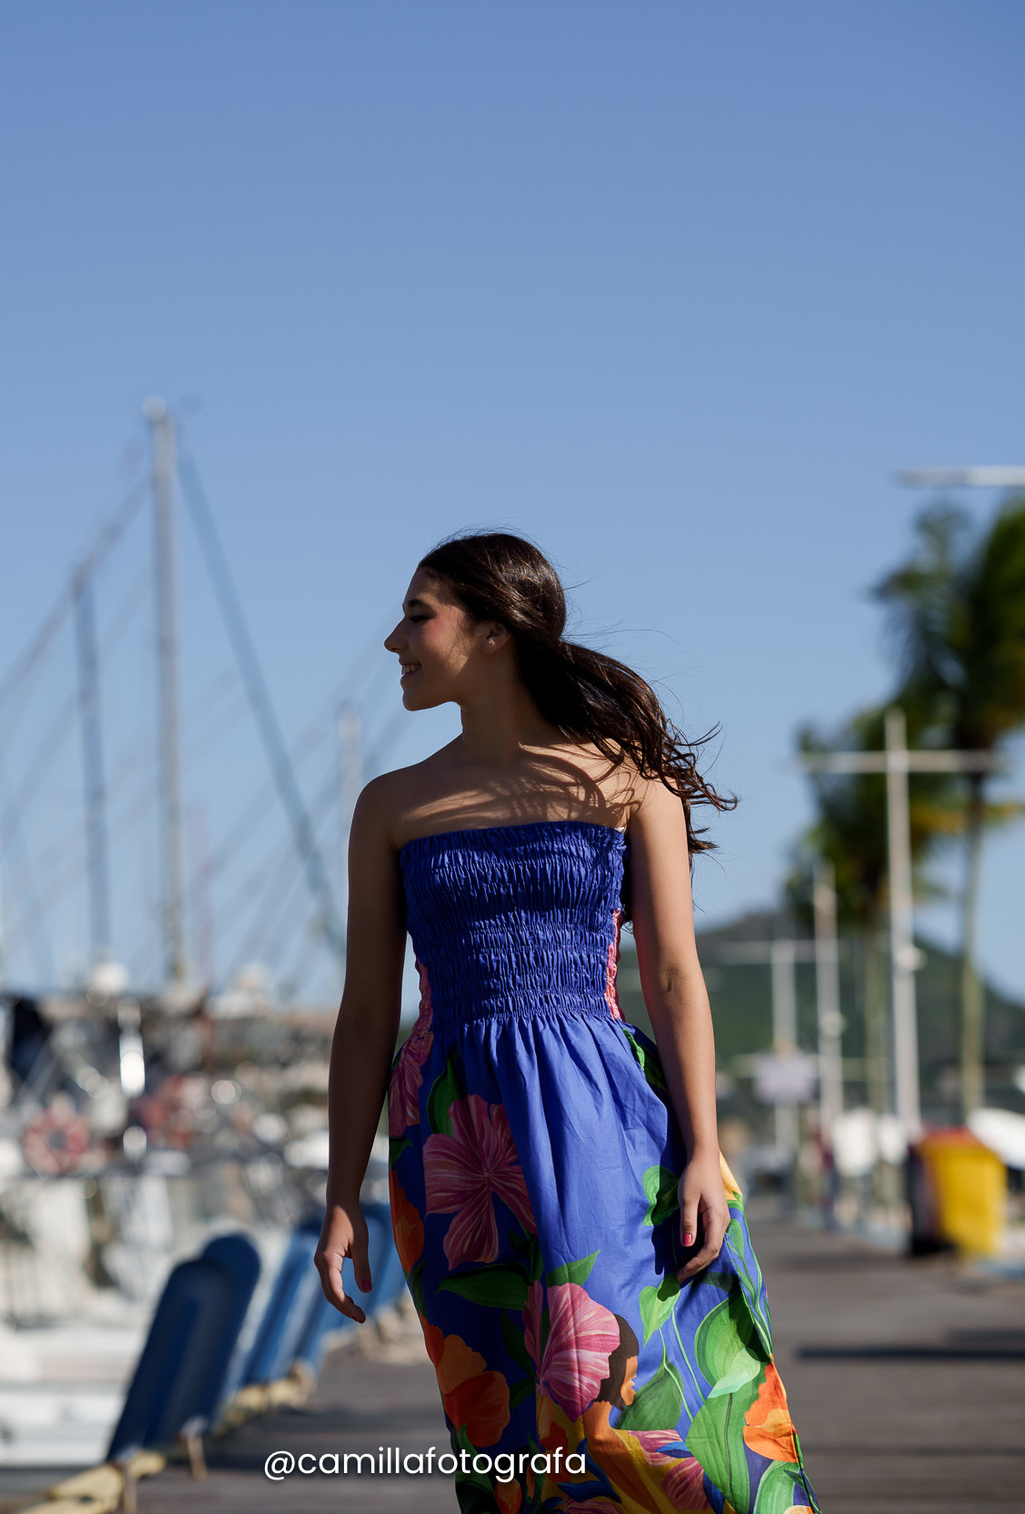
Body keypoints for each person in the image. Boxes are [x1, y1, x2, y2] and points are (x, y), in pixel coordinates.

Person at [315, 533, 818, 1514]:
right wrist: (342, 1193)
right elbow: (367, 1011)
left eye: (418, 616)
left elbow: (672, 976)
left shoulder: (627, 782)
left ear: (495, 632)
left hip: (603, 1115)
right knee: (503, 1423)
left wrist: (702, 1148)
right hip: (453, 1134)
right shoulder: (392, 805)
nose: (394, 641)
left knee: (631, 1394)